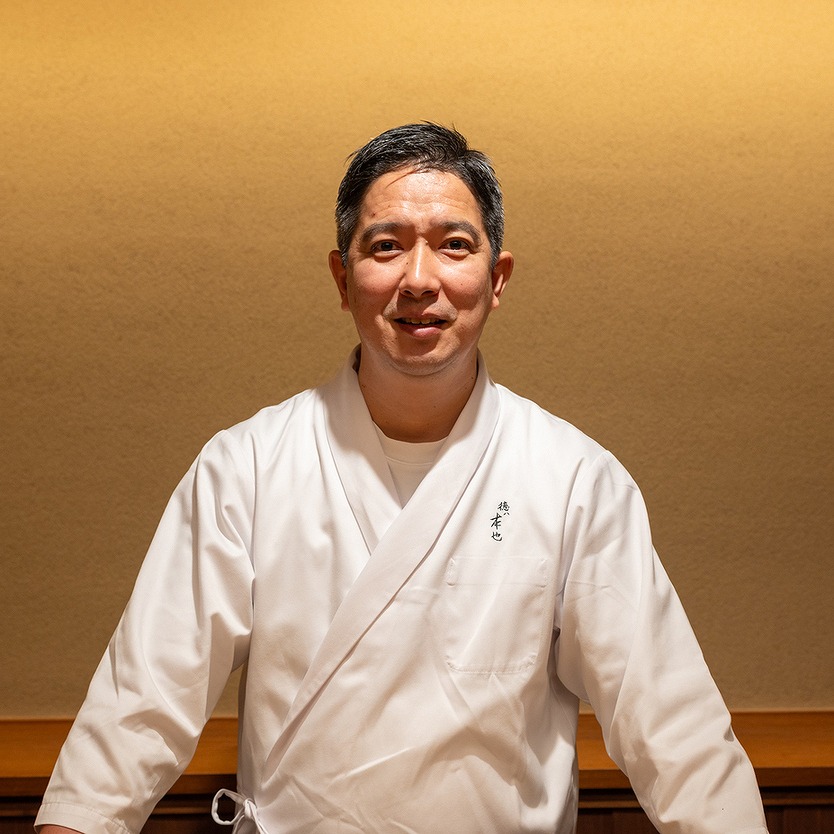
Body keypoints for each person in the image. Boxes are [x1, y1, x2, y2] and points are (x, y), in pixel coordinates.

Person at [37, 123, 768, 834]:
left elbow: (673, 727)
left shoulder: (575, 480)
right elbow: (140, 703)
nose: (419, 280)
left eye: (455, 245)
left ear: (497, 279)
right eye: (386, 247)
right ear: (341, 277)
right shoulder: (246, 467)